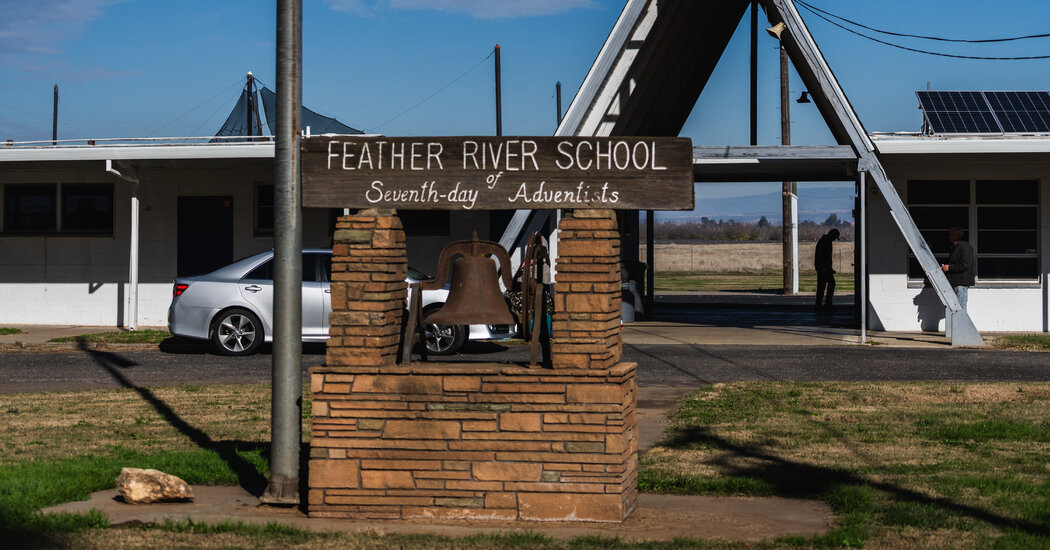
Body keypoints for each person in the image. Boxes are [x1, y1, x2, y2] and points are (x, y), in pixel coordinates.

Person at [941, 227, 975, 309]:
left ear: (956, 235)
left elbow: (965, 264)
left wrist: (949, 267)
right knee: (954, 309)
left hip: (961, 283)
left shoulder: (965, 246)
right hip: (954, 282)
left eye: (951, 234)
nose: (949, 236)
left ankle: (962, 319)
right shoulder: (955, 247)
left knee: (960, 309)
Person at [814, 228, 839, 311]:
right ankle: (827, 304)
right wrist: (827, 268)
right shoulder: (826, 242)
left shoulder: (824, 241)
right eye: (835, 237)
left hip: (822, 267)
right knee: (830, 284)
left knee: (822, 286)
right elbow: (825, 257)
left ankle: (819, 304)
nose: (834, 239)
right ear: (832, 235)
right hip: (824, 268)